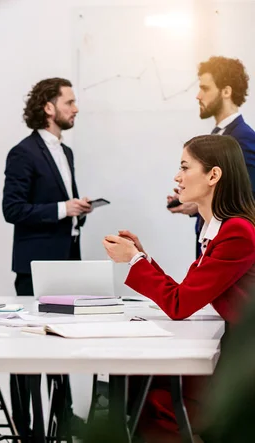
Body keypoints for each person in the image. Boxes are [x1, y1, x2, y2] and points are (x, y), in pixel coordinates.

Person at [105, 135, 255, 442]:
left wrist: (134, 261)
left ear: (214, 175)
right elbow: (185, 294)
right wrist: (141, 257)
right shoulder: (219, 229)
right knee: (141, 379)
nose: (177, 177)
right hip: (233, 348)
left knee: (150, 388)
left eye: (185, 167)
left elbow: (179, 304)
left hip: (243, 363)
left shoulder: (236, 232)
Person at [2, 77, 92, 297]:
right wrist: (64, 209)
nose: (76, 109)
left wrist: (79, 210)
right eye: (69, 103)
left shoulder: (66, 152)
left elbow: (64, 202)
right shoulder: (23, 153)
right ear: (49, 108)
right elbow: (12, 209)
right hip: (37, 266)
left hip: (69, 259)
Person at [167, 56, 255, 257]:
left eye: (205, 88)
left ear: (226, 91)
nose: (198, 96)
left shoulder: (244, 139)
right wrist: (195, 202)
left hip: (228, 250)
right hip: (209, 242)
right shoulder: (217, 136)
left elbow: (244, 198)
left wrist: (199, 202)